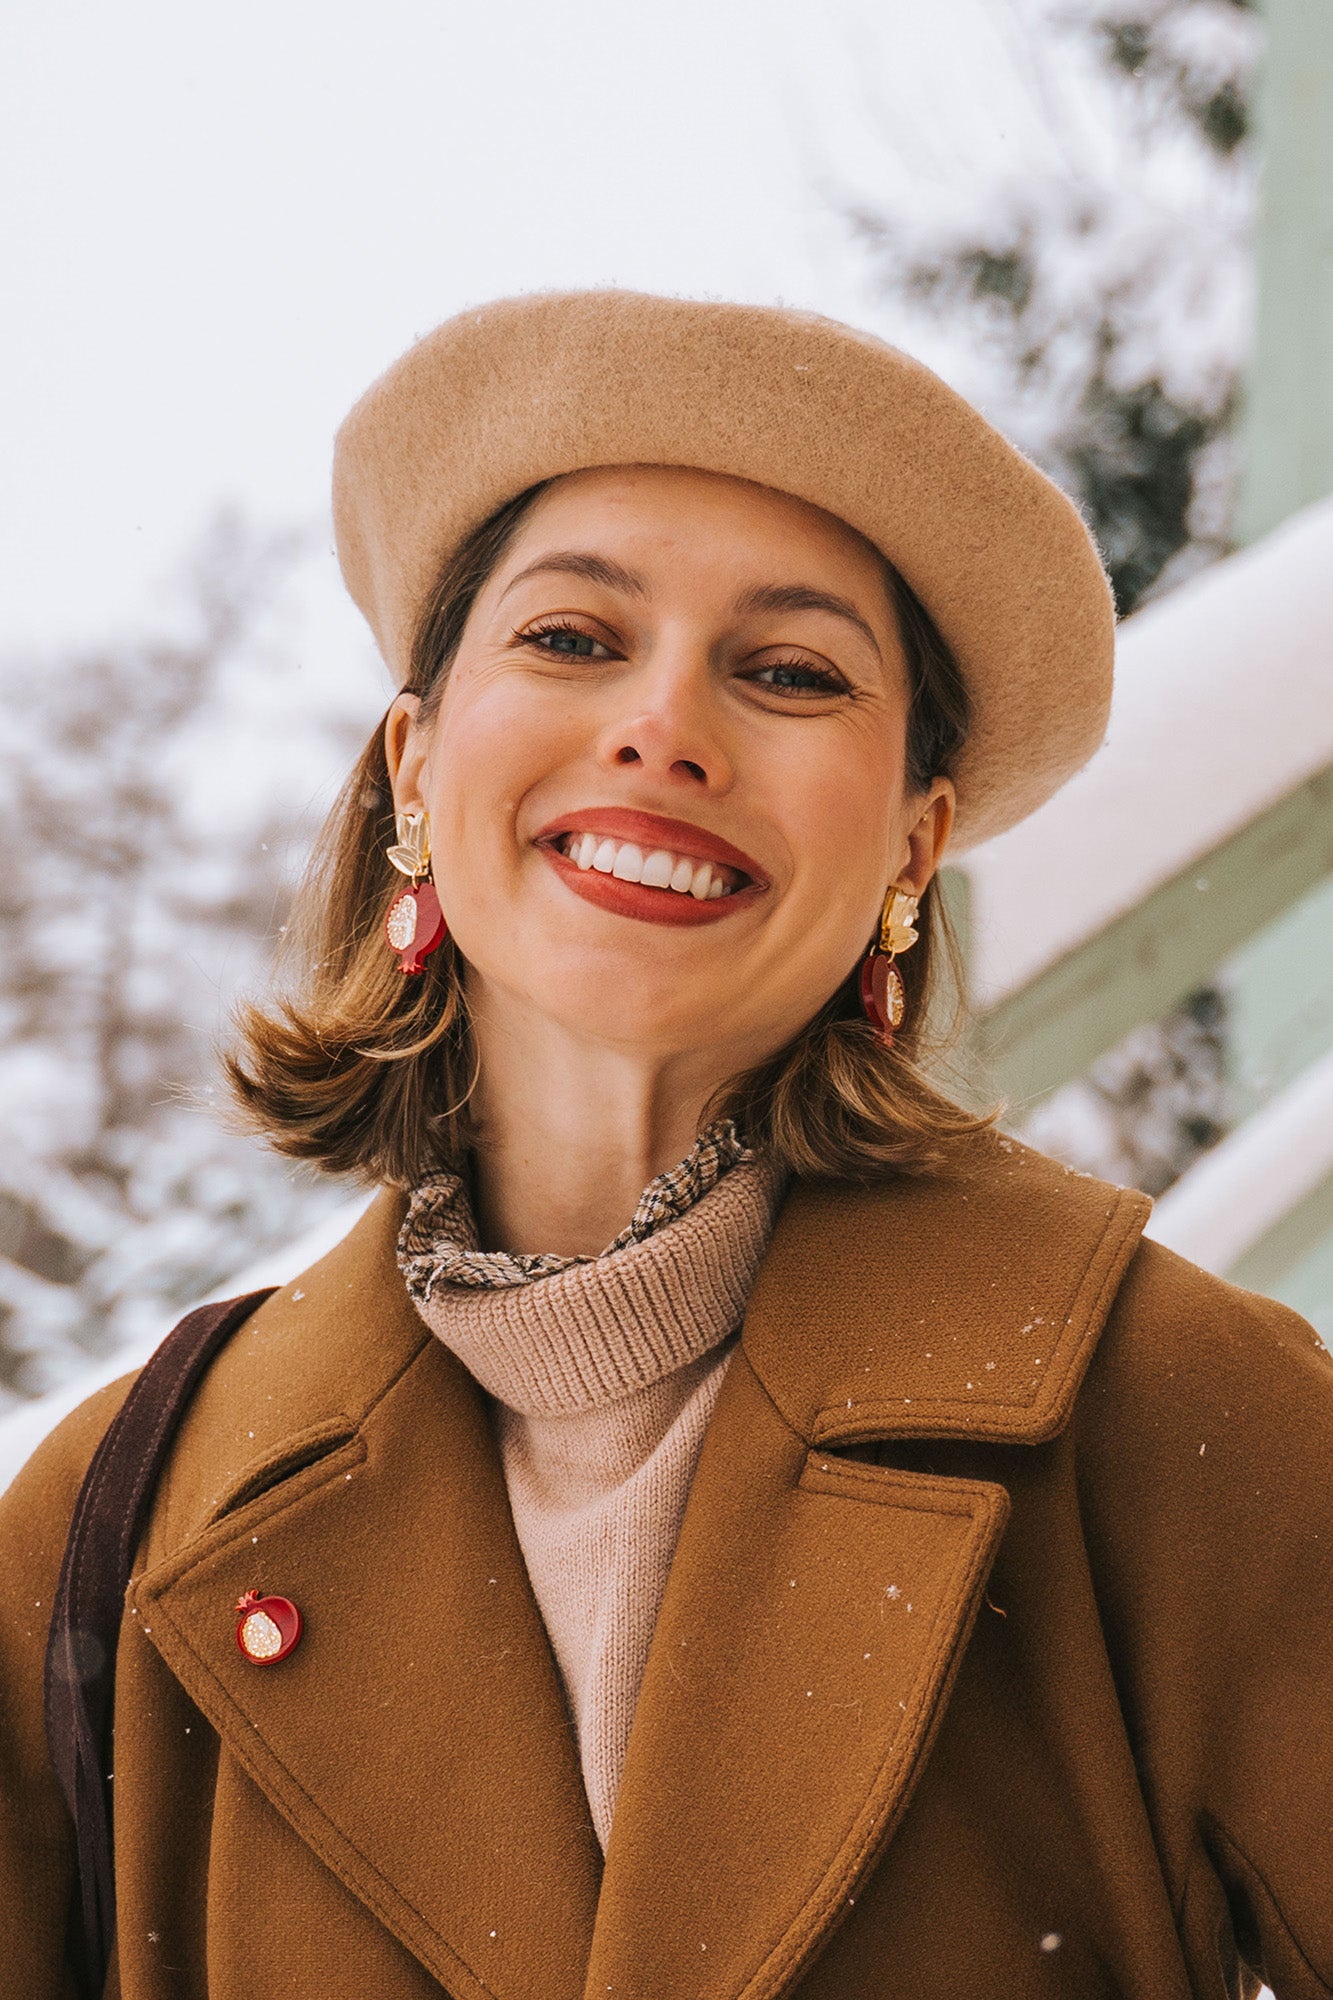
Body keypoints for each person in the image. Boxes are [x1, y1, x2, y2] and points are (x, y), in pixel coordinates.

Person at [3, 290, 1331, 2000]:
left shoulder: (1179, 1417)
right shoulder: (115, 1519)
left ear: (913, 844)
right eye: (570, 639)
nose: (665, 729)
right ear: (416, 763)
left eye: (787, 671)